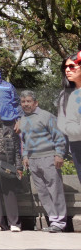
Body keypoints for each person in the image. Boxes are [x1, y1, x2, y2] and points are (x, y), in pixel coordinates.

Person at [19, 90, 67, 232]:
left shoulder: (46, 116)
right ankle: (53, 221)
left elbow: (59, 136)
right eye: (23, 102)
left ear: (36, 103)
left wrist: (59, 154)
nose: (26, 104)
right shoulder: (22, 119)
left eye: (28, 101)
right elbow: (25, 141)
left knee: (55, 190)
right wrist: (25, 156)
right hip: (33, 160)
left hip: (48, 157)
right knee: (43, 192)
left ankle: (60, 223)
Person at [56, 54, 81, 184]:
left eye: (71, 66)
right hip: (76, 145)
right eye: (65, 67)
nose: (67, 70)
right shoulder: (64, 94)